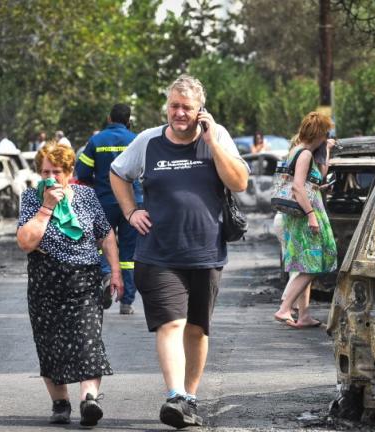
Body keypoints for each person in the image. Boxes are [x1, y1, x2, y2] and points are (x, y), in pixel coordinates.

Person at [110, 75, 248, 429]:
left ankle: (190, 396)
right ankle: (175, 396)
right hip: (157, 253)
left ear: (200, 110)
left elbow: (239, 182)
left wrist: (212, 141)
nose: (179, 113)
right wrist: (130, 211)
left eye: (187, 107)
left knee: (198, 330)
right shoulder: (148, 141)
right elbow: (117, 173)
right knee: (171, 323)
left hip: (205, 252)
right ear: (166, 107)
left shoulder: (217, 137)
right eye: (174, 106)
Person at [16, 142, 124, 427]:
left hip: (84, 278)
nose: (50, 178)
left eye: (56, 172)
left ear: (69, 172)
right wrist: (47, 207)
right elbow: (26, 242)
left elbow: (105, 235)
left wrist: (115, 271)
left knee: (87, 339)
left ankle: (89, 400)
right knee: (49, 342)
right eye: (45, 172)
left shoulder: (87, 196)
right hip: (44, 279)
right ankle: (60, 403)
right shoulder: (30, 198)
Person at [75, 103, 141, 315]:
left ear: (109, 118)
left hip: (104, 202)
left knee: (102, 243)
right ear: (129, 121)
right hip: (132, 205)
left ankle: (105, 274)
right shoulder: (137, 140)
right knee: (129, 254)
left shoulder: (96, 141)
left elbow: (82, 172)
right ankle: (127, 301)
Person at [273, 111, 338, 328]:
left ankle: (304, 315)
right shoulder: (305, 154)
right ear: (319, 133)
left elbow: (316, 178)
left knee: (306, 263)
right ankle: (284, 308)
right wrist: (311, 216)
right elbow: (297, 187)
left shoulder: (297, 150)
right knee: (312, 265)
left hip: (299, 214)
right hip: (305, 215)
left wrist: (326, 151)